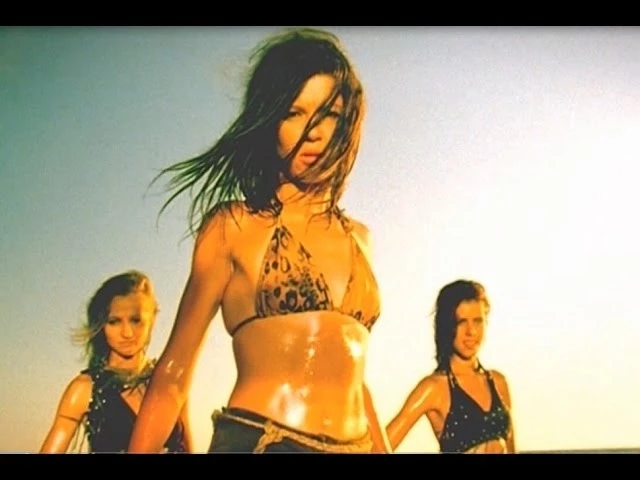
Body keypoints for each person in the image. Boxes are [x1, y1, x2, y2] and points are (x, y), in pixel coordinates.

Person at [128, 27, 389, 454]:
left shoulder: (360, 237)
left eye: (329, 115)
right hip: (265, 441)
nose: (313, 132)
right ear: (270, 122)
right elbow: (173, 375)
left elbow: (352, 377)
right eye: (293, 112)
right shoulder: (233, 226)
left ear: (348, 125)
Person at [40, 270, 191, 453]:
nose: (127, 333)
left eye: (136, 320)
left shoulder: (170, 381)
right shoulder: (84, 390)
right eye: (114, 321)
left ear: (152, 320)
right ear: (101, 325)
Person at [385, 280, 515, 453]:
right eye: (461, 322)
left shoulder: (498, 382)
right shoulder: (434, 388)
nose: (471, 332)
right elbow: (379, 447)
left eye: (478, 321)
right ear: (447, 326)